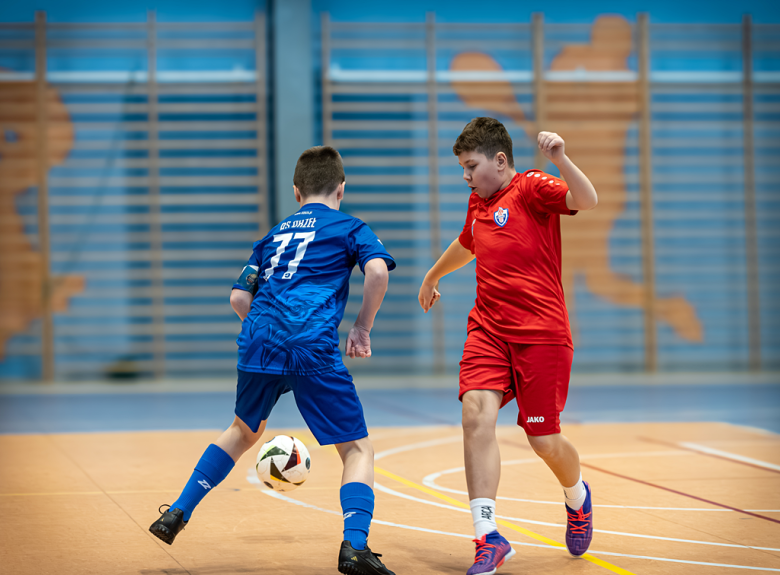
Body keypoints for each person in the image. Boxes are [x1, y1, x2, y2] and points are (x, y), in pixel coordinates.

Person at [150, 145, 397, 575]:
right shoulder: (351, 227)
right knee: (357, 447)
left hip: (259, 341)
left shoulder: (274, 234)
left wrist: (265, 329)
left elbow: (238, 297)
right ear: (341, 187)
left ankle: (176, 513)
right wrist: (361, 327)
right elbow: (377, 272)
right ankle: (355, 547)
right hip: (310, 344)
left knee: (242, 431)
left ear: (297, 192)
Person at [418, 117, 598, 574]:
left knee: (543, 439)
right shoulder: (478, 205)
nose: (464, 175)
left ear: (500, 161)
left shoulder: (533, 187)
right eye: (461, 166)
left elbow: (586, 199)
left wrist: (560, 159)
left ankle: (576, 497)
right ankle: (487, 535)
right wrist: (433, 274)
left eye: (470, 165)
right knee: (475, 414)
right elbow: (468, 243)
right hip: (488, 330)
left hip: (541, 335)